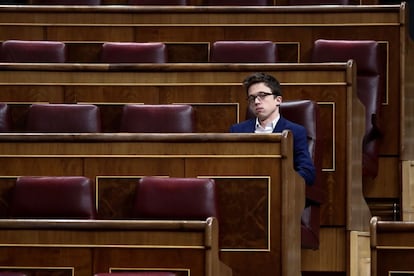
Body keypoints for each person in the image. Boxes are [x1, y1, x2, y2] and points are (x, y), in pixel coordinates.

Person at [229, 72, 315, 186]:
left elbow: (307, 173)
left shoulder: (296, 131)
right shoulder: (237, 131)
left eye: (262, 95)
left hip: (279, 191)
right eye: (252, 98)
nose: (256, 102)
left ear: (278, 100)